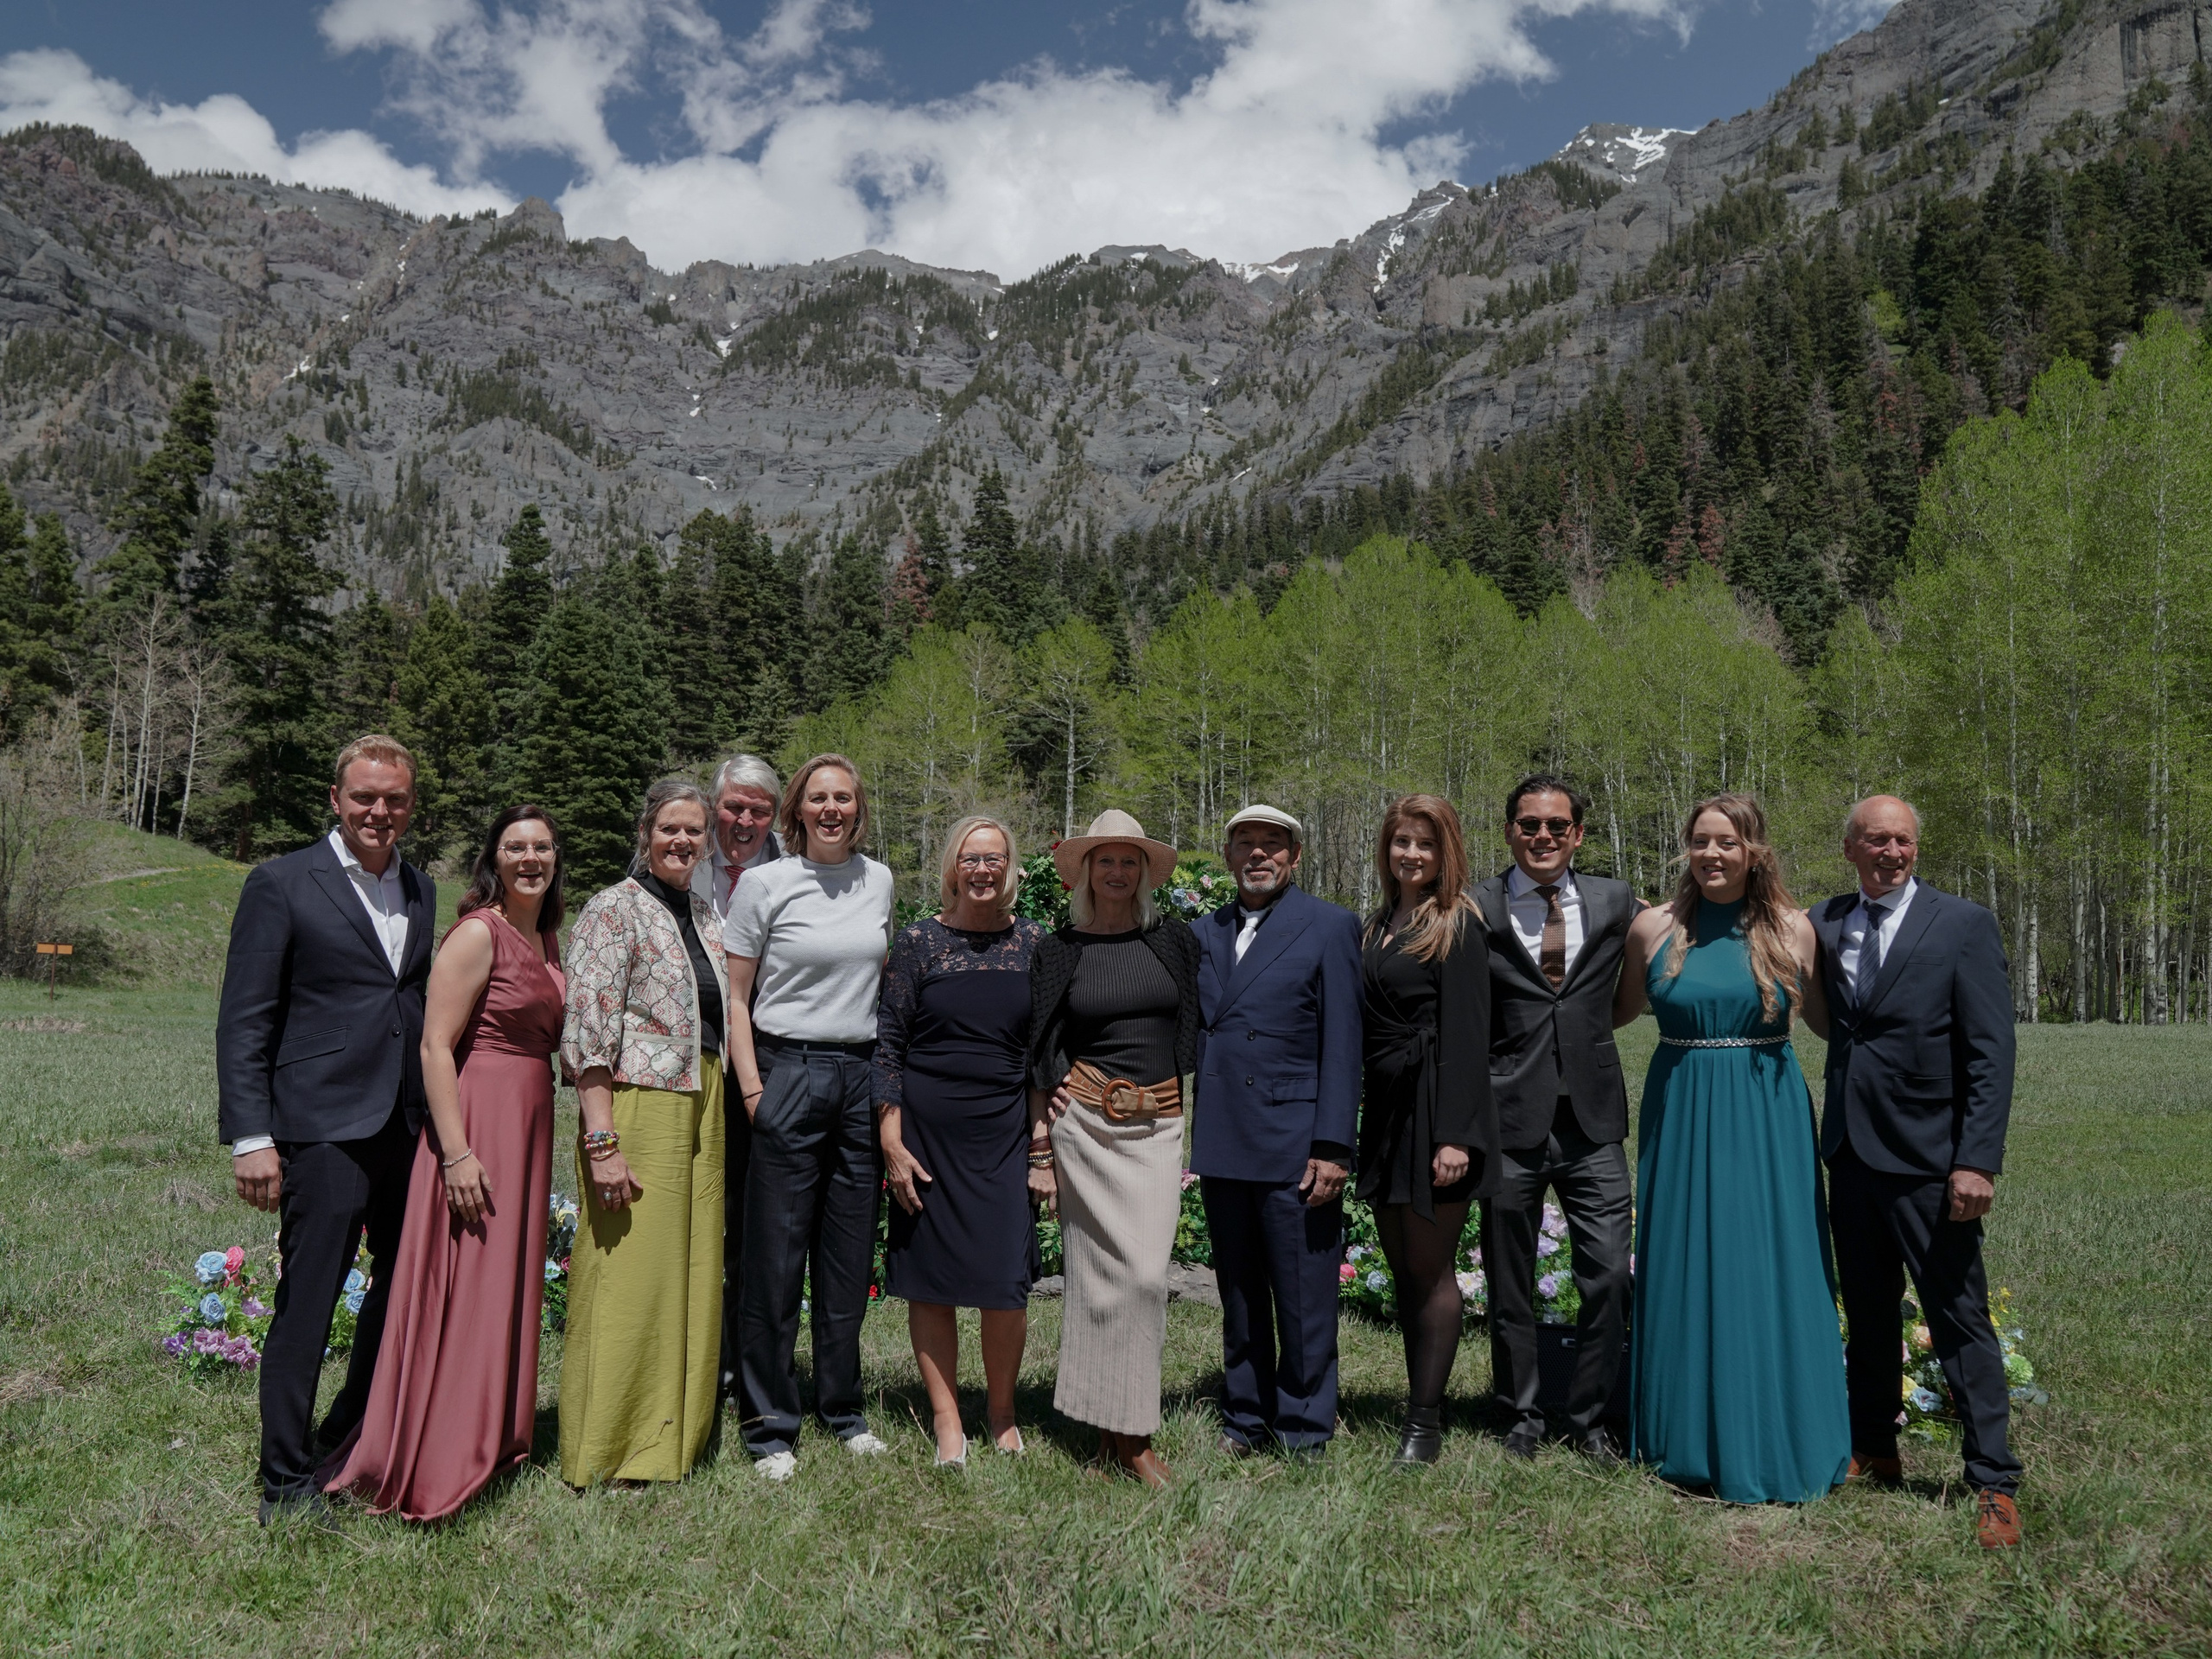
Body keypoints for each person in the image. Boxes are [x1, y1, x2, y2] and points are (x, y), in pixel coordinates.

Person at [322, 805, 567, 1520]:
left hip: (529, 1120)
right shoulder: (477, 932)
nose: (531, 859)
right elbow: (435, 1048)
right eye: (516, 847)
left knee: (504, 1282)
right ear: (495, 857)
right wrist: (456, 1153)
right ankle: (437, 1449)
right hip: (478, 1120)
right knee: (467, 1283)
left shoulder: (549, 934)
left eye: (543, 847)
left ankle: (491, 1436)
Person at [217, 734, 435, 1526]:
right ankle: (283, 1479)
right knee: (308, 1302)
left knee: (400, 1291)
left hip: (406, 1127)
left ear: (411, 806)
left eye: (396, 799)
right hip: (321, 1129)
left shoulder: (422, 888)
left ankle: (346, 1435)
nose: (380, 811)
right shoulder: (280, 883)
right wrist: (251, 1137)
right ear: (336, 800)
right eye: (366, 797)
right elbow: (246, 1019)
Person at [1614, 793, 1849, 1503]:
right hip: (1680, 1107)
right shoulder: (1653, 927)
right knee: (1684, 1256)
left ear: (1755, 850)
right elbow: (1611, 1011)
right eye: (1700, 841)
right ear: (1686, 848)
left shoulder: (1794, 928)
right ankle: (1682, 1435)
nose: (1712, 855)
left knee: (1773, 1259)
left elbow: (1835, 1030)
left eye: (1728, 842)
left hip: (1767, 1112)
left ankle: (1782, 1433)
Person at [1812, 795, 2023, 1548]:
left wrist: (1976, 1161)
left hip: (1935, 1163)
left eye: (1901, 840)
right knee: (1867, 1314)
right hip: (1851, 1156)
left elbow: (1990, 1053)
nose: (1889, 852)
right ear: (1850, 849)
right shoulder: (1824, 922)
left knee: (1958, 1319)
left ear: (1915, 849)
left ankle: (1993, 1479)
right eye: (1875, 840)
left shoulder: (1962, 925)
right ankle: (1875, 1447)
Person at [725, 753, 898, 1481]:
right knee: (773, 1256)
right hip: (786, 1069)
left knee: (847, 1254)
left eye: (845, 799)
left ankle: (843, 1407)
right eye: (819, 799)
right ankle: (769, 1425)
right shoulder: (766, 883)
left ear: (859, 809)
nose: (832, 810)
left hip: (858, 1075)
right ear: (796, 810)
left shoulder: (881, 880)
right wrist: (756, 1090)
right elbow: (737, 997)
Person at [557, 779, 728, 1486]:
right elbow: (589, 1035)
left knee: (687, 1276)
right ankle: (604, 1446)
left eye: (695, 831)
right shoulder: (612, 909)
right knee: (625, 1279)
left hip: (703, 1102)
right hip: (635, 1105)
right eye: (670, 830)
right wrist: (603, 1145)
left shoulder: (708, 912)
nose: (683, 842)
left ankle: (670, 1442)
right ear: (645, 833)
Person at [1029, 809, 1201, 1488]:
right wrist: (1042, 1140)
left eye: (1130, 861)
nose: (1118, 872)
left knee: (1143, 1278)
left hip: (1156, 1127)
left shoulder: (1174, 942)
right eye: (1106, 860)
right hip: (1085, 1128)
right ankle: (1118, 1438)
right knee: (1096, 1282)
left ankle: (1128, 1431)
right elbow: (1039, 1046)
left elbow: (1197, 1030)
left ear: (1144, 872)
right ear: (1086, 871)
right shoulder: (1058, 948)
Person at [1470, 774, 1637, 1461]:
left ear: (1579, 834)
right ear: (1509, 830)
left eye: (1558, 826)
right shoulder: (1474, 905)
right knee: (1509, 1279)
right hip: (1508, 1114)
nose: (1544, 837)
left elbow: (1630, 993)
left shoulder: (1615, 899)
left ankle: (1591, 1416)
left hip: (1593, 1121)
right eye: (1530, 825)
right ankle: (1521, 1413)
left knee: (1607, 1275)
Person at [1192, 804, 1363, 1464]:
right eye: (1245, 844)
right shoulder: (1204, 931)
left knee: (1302, 1294)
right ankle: (1245, 1417)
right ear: (1229, 855)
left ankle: (1304, 1426)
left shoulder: (1328, 926)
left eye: (1273, 845)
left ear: (1294, 857)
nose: (1258, 855)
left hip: (1296, 1139)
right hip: (1224, 1136)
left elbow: (1344, 1043)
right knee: (1238, 1291)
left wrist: (1331, 1145)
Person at [876, 816, 1047, 1466]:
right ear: (953, 867)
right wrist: (891, 1141)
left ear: (1010, 868)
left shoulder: (1034, 944)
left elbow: (1041, 1055)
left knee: (1006, 1281)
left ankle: (1002, 1416)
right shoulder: (920, 942)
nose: (983, 869)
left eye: (995, 858)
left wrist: (1041, 1145)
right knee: (933, 1280)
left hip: (1001, 1130)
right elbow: (888, 1041)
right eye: (971, 858)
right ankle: (948, 1422)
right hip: (926, 1131)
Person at [1357, 795, 1497, 1465]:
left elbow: (1470, 1040)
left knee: (1430, 1267)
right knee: (1404, 1271)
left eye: (1425, 844)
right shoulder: (1377, 923)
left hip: (1439, 1111)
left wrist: (1455, 1137)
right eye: (1401, 842)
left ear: (1446, 853)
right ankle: (1420, 1396)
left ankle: (1425, 1423)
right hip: (1386, 1111)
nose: (1411, 854)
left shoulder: (1458, 924)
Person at [690, 753, 785, 1403]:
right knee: (695, 1219)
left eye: (758, 809)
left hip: (766, 1071)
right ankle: (693, 1360)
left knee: (755, 1226)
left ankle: (746, 1366)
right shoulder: (676, 858)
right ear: (713, 806)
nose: (745, 820)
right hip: (689, 1070)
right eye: (734, 807)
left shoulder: (792, 871)